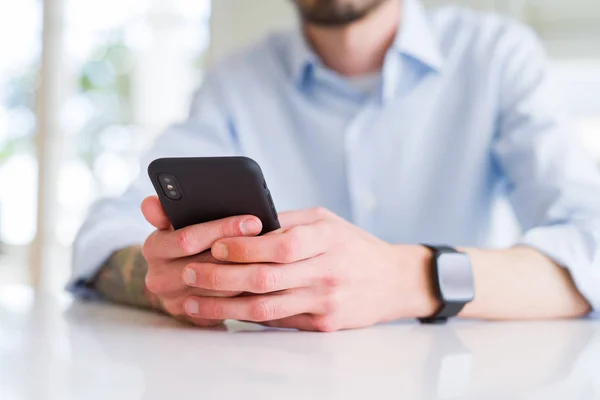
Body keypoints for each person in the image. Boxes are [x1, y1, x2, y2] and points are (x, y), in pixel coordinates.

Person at [69, 0, 600, 331]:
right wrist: (172, 283)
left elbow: (591, 244)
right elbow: (100, 238)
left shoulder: (498, 56)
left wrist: (407, 277)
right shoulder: (237, 82)